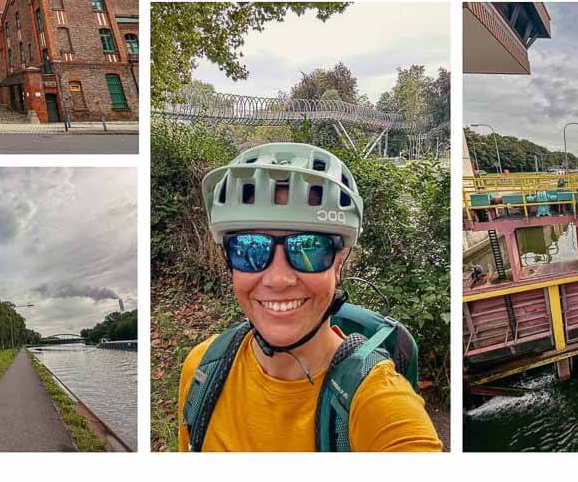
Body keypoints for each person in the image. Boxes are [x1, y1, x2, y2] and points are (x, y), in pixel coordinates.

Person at [178, 142, 443, 452]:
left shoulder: (377, 403)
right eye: (250, 249)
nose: (278, 279)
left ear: (339, 261)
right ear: (229, 262)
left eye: (309, 248)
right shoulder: (202, 370)